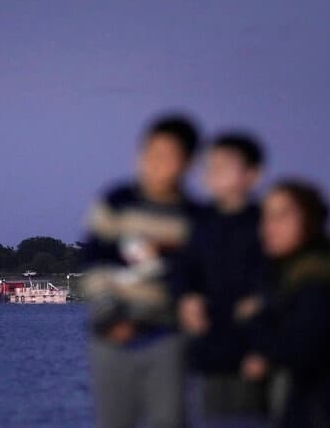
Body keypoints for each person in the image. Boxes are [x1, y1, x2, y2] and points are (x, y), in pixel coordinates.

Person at [80, 114, 202, 428]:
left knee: (170, 419)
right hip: (110, 335)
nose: (156, 164)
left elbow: (195, 279)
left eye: (168, 156)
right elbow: (93, 262)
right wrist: (111, 317)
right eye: (150, 154)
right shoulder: (117, 201)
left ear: (188, 162)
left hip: (167, 336)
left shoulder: (195, 217)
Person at [241, 179, 330, 428]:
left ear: (310, 220)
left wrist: (255, 318)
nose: (270, 227)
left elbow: (302, 351)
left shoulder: (320, 284)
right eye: (266, 217)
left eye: (282, 216)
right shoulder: (286, 277)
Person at [175, 133, 268, 423]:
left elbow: (279, 281)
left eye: (225, 166)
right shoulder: (197, 222)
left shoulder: (266, 223)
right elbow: (181, 271)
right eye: (210, 165)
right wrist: (185, 298)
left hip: (256, 352)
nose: (214, 173)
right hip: (206, 352)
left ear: (252, 174)